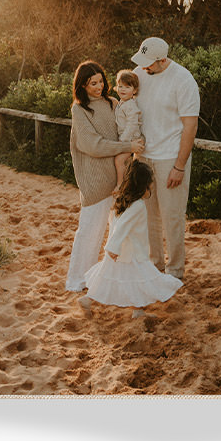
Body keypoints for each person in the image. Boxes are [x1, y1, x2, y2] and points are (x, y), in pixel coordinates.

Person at [66, 62, 146, 292]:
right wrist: (127, 145)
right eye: (93, 83)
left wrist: (131, 146)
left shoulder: (113, 103)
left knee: (118, 233)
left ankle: (108, 280)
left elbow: (130, 124)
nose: (99, 86)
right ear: (82, 84)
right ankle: (77, 280)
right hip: (95, 180)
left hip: (120, 178)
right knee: (90, 231)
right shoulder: (79, 110)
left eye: (101, 81)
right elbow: (92, 145)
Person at [131, 37, 199, 281]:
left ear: (162, 60)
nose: (144, 67)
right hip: (143, 157)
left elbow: (190, 126)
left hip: (170, 158)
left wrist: (179, 166)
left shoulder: (183, 79)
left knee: (172, 217)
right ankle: (155, 265)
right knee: (148, 216)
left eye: (150, 63)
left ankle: (175, 271)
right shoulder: (138, 73)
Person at [78, 160, 183, 318]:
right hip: (131, 252)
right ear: (143, 186)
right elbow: (121, 227)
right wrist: (113, 248)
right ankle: (135, 309)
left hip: (121, 251)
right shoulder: (137, 206)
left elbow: (114, 222)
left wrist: (113, 249)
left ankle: (91, 300)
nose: (152, 186)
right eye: (150, 183)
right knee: (138, 278)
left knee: (111, 277)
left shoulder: (124, 201)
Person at [113, 69, 145, 190]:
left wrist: (123, 141)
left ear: (134, 90)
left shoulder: (130, 105)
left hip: (132, 138)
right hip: (126, 138)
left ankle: (120, 184)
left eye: (127, 87)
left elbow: (132, 124)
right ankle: (126, 182)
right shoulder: (121, 103)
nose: (122, 90)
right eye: (120, 86)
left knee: (119, 160)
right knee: (126, 162)